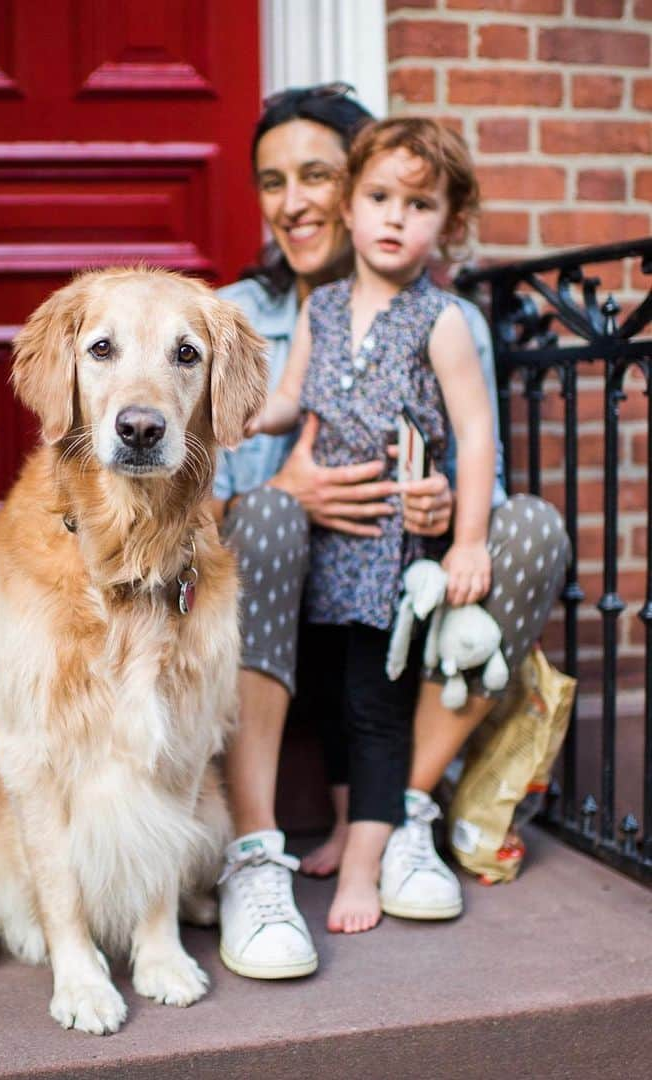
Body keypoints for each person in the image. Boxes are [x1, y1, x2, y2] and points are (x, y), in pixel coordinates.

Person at [212, 85, 569, 978]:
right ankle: (255, 847)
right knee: (265, 519)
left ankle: (399, 816)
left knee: (529, 532)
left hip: (389, 572)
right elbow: (223, 469)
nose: (295, 200)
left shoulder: (446, 320)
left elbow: (475, 440)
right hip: (256, 595)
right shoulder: (240, 317)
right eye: (271, 180)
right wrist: (274, 470)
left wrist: (456, 514)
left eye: (316, 175)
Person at [249, 116, 496, 935]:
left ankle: (364, 865)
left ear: (447, 225)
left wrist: (465, 540)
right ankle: (350, 833)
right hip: (320, 545)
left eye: (419, 204)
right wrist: (239, 416)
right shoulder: (320, 307)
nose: (395, 218)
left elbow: (476, 434)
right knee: (324, 696)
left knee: (374, 707)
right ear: (349, 206)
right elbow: (290, 400)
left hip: (391, 547)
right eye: (380, 197)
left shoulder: (444, 322)